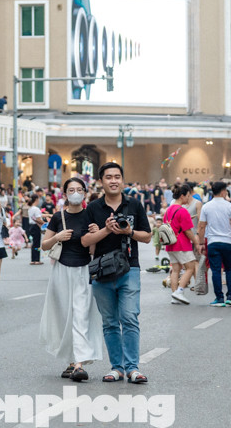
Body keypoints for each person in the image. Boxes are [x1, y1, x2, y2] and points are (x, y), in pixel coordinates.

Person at [81, 161, 152, 384]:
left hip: (129, 268)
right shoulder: (93, 208)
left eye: (117, 176)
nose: (113, 180)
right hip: (102, 271)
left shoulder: (134, 205)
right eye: (109, 177)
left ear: (122, 180)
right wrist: (105, 230)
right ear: (101, 182)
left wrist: (129, 231)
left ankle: (132, 368)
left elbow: (147, 236)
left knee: (129, 317)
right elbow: (85, 241)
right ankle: (117, 367)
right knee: (110, 322)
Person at [39, 176, 103, 381]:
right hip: (61, 271)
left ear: (84, 192)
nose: (75, 192)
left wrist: (96, 233)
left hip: (84, 270)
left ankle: (79, 364)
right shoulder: (58, 217)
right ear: (65, 194)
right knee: (65, 316)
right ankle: (70, 360)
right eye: (71, 189)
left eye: (79, 189)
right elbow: (44, 245)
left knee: (81, 315)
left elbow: (94, 249)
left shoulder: (90, 216)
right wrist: (57, 237)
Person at [197, 181, 231, 307]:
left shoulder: (206, 207)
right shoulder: (230, 206)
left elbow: (201, 226)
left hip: (212, 242)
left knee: (216, 270)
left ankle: (219, 298)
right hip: (228, 242)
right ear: (223, 191)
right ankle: (230, 297)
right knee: (229, 269)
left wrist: (201, 243)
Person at [163, 184, 198, 305]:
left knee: (176, 269)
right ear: (182, 196)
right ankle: (180, 291)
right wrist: (196, 242)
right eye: (188, 196)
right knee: (190, 267)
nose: (189, 199)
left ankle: (174, 295)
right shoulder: (182, 210)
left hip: (170, 244)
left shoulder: (168, 210)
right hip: (182, 244)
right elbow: (188, 230)